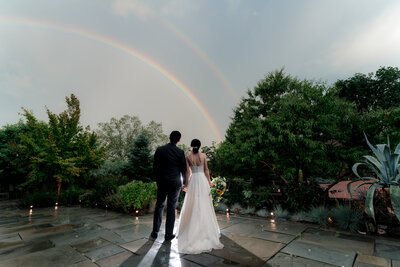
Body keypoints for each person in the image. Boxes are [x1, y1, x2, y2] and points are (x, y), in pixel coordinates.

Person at [177, 139, 223, 254]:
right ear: (199, 146)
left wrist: (186, 185)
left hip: (193, 181)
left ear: (191, 146)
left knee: (192, 205)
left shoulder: (188, 157)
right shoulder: (203, 155)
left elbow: (187, 172)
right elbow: (206, 170)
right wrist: (209, 182)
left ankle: (191, 230)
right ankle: (206, 230)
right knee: (204, 204)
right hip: (202, 180)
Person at [151, 131, 187, 241]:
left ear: (169, 137)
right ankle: (168, 234)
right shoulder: (180, 152)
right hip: (175, 183)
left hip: (162, 182)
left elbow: (155, 167)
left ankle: (155, 232)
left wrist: (156, 180)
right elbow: (183, 170)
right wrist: (184, 183)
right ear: (179, 140)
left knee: (159, 205)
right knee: (171, 207)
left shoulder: (160, 150)